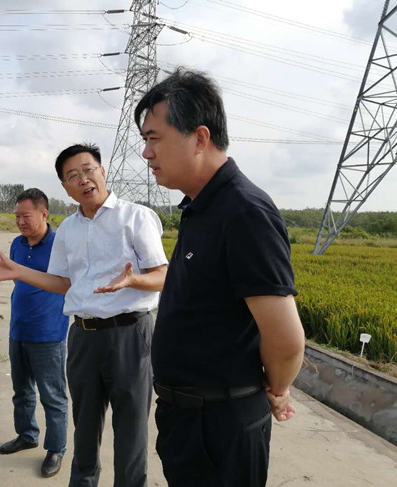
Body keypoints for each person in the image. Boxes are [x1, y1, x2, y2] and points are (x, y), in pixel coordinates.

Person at [134, 68, 306, 487]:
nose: (146, 153)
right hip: (190, 419)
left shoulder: (244, 212)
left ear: (200, 138)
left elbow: (286, 340)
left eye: (154, 138)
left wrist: (276, 389)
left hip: (219, 426)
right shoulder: (201, 206)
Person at [0, 143, 168, 487]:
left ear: (102, 172)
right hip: (82, 336)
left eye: (88, 170)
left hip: (129, 334)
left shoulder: (136, 217)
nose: (83, 179)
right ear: (65, 187)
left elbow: (162, 275)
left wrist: (134, 280)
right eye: (73, 176)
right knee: (85, 425)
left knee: (130, 429)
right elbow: (63, 282)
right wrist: (19, 271)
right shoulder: (68, 230)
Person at [0, 188, 69, 478]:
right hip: (18, 329)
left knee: (52, 396)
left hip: (48, 334)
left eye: (26, 216)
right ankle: (27, 435)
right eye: (17, 216)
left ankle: (56, 449)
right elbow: (17, 281)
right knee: (22, 390)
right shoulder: (17, 244)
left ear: (44, 214)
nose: (20, 222)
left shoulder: (59, 245)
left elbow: (66, 283)